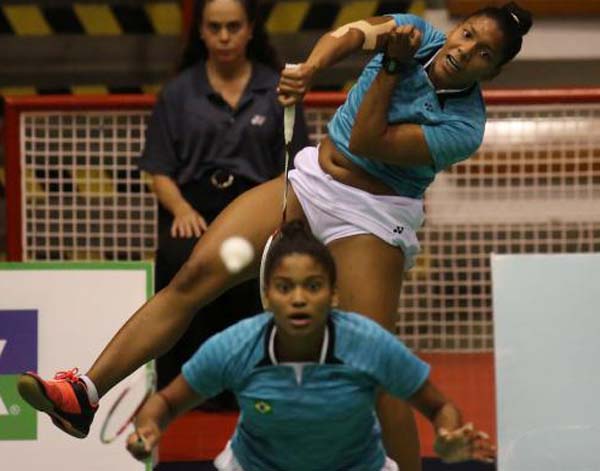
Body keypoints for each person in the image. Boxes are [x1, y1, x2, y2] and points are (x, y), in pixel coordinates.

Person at [18, 2, 531, 469]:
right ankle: (85, 392)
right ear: (455, 28)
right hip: (311, 180)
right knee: (193, 275)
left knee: (371, 361)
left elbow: (367, 138)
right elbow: (350, 34)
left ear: (494, 70)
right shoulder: (416, 32)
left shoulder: (464, 127)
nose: (464, 51)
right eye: (466, 35)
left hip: (373, 213)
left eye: (482, 52)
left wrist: (393, 67)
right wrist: (311, 67)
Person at [125, 220, 495, 470]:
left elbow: (439, 406)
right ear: (267, 296)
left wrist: (447, 438)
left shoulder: (367, 343)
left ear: (334, 295)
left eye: (313, 286)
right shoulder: (238, 346)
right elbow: (167, 402)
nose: (298, 299)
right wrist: (148, 428)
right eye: (285, 288)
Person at [136, 0, 307, 403]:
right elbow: (159, 171)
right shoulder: (178, 93)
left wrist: (279, 218)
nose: (225, 36)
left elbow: (295, 166)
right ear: (202, 32)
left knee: (265, 266)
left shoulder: (279, 89)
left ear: (250, 30)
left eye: (233, 26)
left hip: (257, 207)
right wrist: (179, 209)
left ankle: (256, 385)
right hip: (193, 210)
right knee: (180, 259)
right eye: (215, 27)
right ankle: (179, 393)